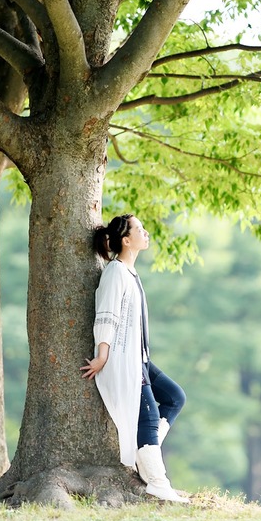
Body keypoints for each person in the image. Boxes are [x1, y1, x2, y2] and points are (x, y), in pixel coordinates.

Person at [81, 214, 189, 503]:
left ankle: (144, 453)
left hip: (139, 358)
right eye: (140, 229)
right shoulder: (115, 272)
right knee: (150, 418)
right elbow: (107, 314)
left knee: (175, 397)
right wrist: (102, 355)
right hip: (123, 359)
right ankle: (156, 482)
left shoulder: (129, 272)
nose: (146, 232)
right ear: (126, 240)